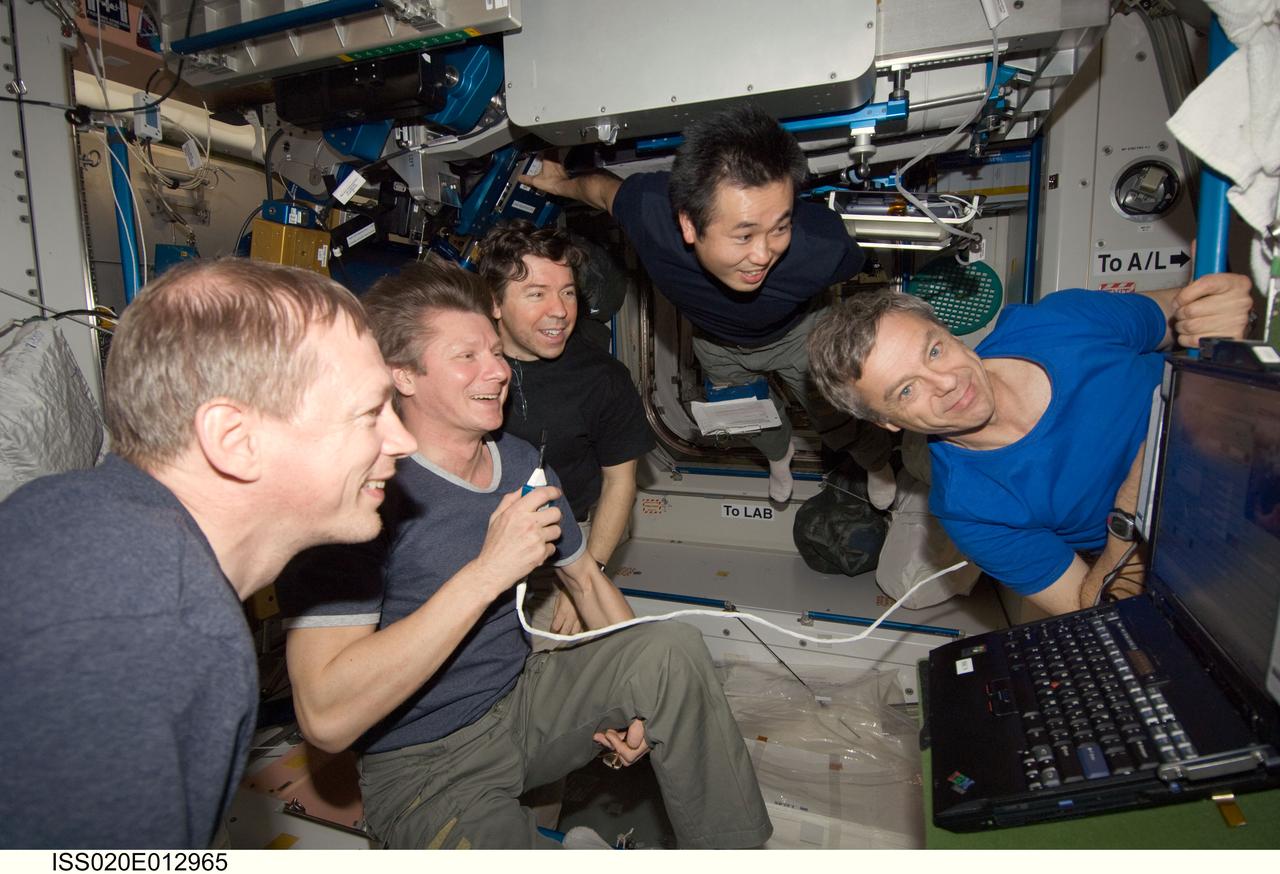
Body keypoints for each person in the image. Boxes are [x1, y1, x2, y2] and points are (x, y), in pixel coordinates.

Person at [275, 260, 772, 849]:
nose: (498, 370)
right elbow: (326, 719)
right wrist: (489, 572)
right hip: (425, 761)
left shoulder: (518, 463)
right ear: (403, 376)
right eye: (467, 357)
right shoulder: (360, 495)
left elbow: (585, 580)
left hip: (524, 700)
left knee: (669, 648)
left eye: (495, 350)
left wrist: (638, 708)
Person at [0, 259, 417, 848]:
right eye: (371, 413)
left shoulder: (69, 504)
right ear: (235, 441)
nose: (404, 440)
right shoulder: (165, 634)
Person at [807, 274, 1254, 615]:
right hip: (1229, 554)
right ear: (887, 423)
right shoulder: (973, 511)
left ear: (948, 331)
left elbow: (1176, 314)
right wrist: (1129, 515)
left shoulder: (1059, 321)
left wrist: (1215, 311)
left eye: (935, 351)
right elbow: (1097, 613)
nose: (945, 383)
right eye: (906, 390)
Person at [520, 103, 894, 505]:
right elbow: (601, 192)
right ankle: (779, 455)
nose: (764, 254)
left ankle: (875, 462)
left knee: (833, 414)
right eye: (744, 235)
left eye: (780, 227)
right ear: (688, 225)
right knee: (744, 416)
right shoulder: (650, 213)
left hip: (799, 332)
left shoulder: (823, 247)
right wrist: (560, 184)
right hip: (717, 344)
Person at [478, 220, 654, 569]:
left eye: (568, 292)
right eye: (537, 293)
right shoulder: (463, 369)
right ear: (494, 303)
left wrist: (588, 575)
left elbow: (619, 483)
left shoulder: (603, 378)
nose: (559, 310)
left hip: (571, 540)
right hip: (477, 537)